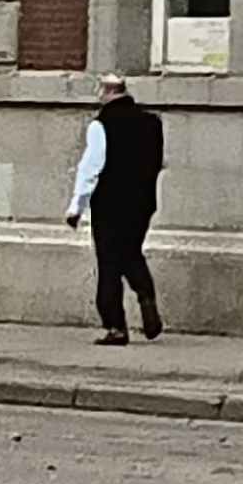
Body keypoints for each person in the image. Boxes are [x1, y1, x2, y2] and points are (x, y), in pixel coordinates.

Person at [67, 74, 167, 345]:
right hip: (142, 203)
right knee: (130, 252)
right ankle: (146, 297)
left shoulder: (101, 125)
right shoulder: (152, 123)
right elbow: (156, 163)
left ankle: (116, 326)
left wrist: (76, 206)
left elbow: (91, 168)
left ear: (107, 92)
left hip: (110, 204)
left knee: (109, 263)